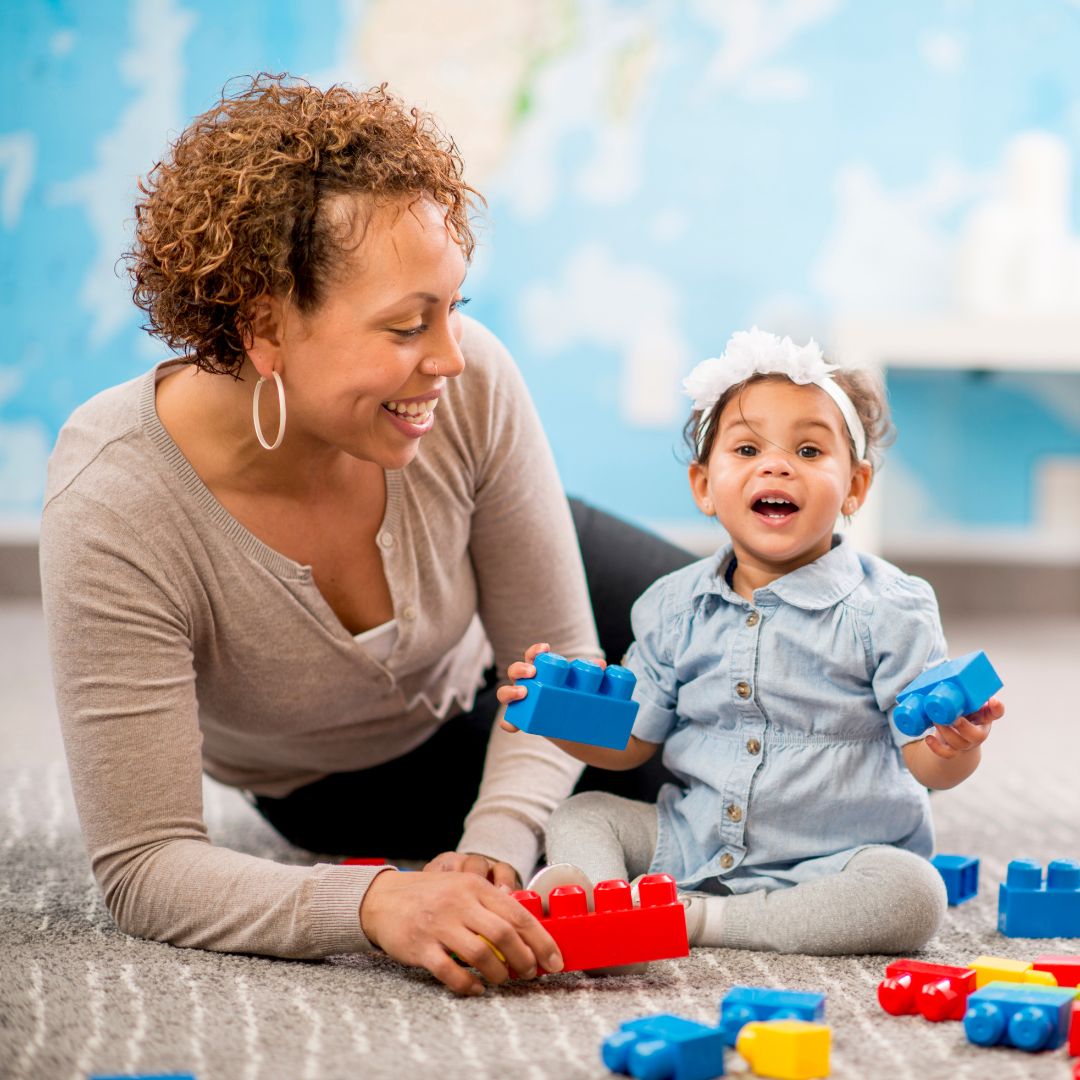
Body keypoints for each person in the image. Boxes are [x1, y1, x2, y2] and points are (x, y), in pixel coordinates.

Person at [38, 74, 691, 996]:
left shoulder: (469, 381)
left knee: (775, 657)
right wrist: (380, 902)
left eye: (453, 308)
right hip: (358, 769)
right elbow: (145, 865)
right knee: (711, 786)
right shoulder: (115, 501)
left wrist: (502, 837)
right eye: (405, 325)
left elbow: (558, 655)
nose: (452, 358)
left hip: (511, 637)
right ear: (263, 324)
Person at [499, 328, 1005, 955]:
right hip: (694, 838)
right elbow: (632, 743)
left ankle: (689, 921)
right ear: (704, 486)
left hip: (837, 860)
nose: (776, 464)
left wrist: (955, 744)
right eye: (746, 447)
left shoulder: (890, 609)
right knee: (584, 813)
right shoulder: (671, 606)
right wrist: (556, 717)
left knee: (912, 895)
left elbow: (929, 765)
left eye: (811, 451)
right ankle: (596, 907)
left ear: (855, 488)